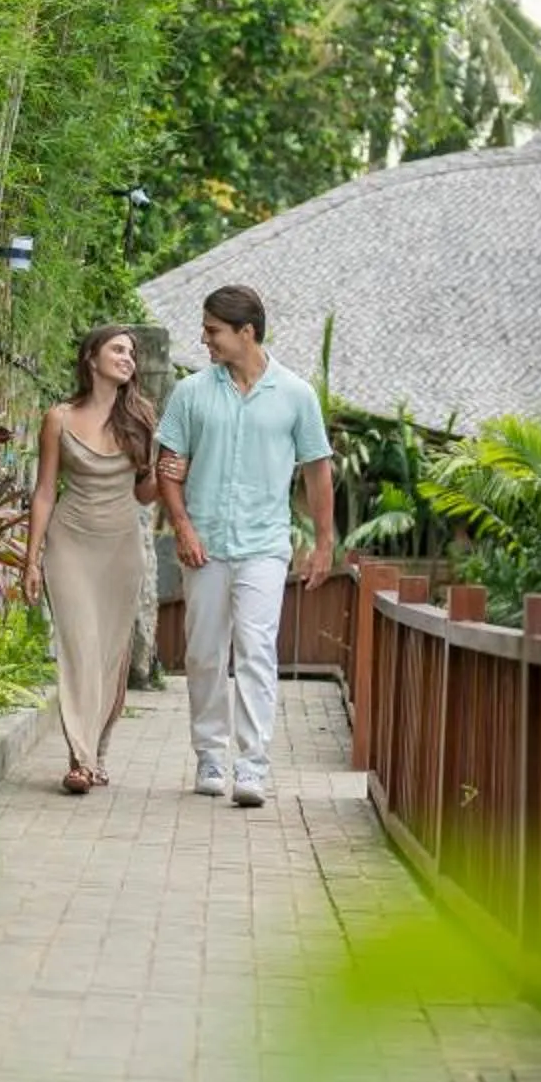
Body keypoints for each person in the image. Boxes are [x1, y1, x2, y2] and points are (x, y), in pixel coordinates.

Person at [153, 285, 334, 808]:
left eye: (213, 331)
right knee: (204, 653)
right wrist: (183, 528)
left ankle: (252, 765)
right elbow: (168, 467)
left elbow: (318, 471)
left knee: (256, 651)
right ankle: (210, 755)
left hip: (264, 545)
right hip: (204, 545)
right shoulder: (190, 393)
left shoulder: (296, 394)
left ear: (246, 332)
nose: (204, 340)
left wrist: (324, 543)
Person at [21, 325, 158, 795]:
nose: (127, 358)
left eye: (132, 353)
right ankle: (79, 759)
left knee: (111, 652)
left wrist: (170, 474)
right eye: (117, 349)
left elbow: (145, 493)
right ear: (91, 357)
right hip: (70, 544)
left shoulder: (141, 418)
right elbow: (44, 492)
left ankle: (99, 753)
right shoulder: (58, 418)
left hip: (121, 548)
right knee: (80, 647)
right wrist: (31, 559)